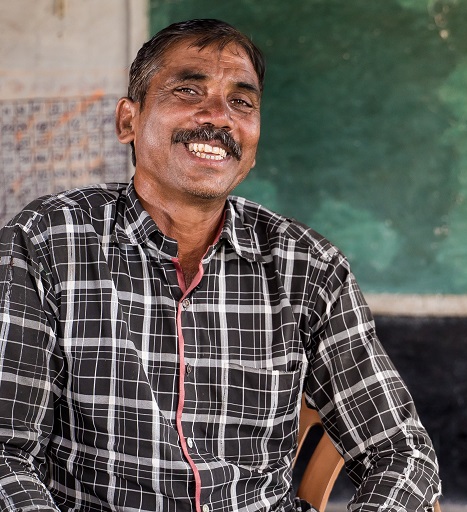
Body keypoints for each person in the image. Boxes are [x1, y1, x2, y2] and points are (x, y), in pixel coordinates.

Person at [0, 19, 441, 512]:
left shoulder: (309, 267)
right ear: (129, 120)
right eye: (188, 90)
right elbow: (6, 455)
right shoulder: (47, 242)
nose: (219, 117)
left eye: (242, 101)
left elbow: (400, 454)